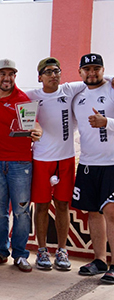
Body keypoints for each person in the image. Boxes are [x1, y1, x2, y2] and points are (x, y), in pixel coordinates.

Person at [26, 57, 88, 271]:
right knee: (41, 206)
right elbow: (6, 93)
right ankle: (42, 250)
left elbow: (94, 78)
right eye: (48, 71)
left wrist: (110, 79)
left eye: (57, 71)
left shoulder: (69, 89)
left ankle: (62, 250)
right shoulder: (31, 95)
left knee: (63, 205)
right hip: (41, 160)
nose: (54, 75)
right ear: (40, 76)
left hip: (66, 159)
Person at [0, 59, 41, 273]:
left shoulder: (23, 99)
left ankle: (21, 254)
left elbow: (32, 125)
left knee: (22, 212)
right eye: (2, 74)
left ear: (15, 76)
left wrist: (38, 131)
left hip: (20, 164)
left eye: (11, 74)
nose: (7, 78)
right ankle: (0, 251)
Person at [72, 53, 114, 284]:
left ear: (103, 69)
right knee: (93, 213)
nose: (92, 73)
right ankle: (99, 260)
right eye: (87, 69)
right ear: (80, 72)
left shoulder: (112, 89)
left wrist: (106, 122)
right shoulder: (77, 95)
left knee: (111, 212)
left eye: (97, 68)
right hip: (88, 163)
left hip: (112, 164)